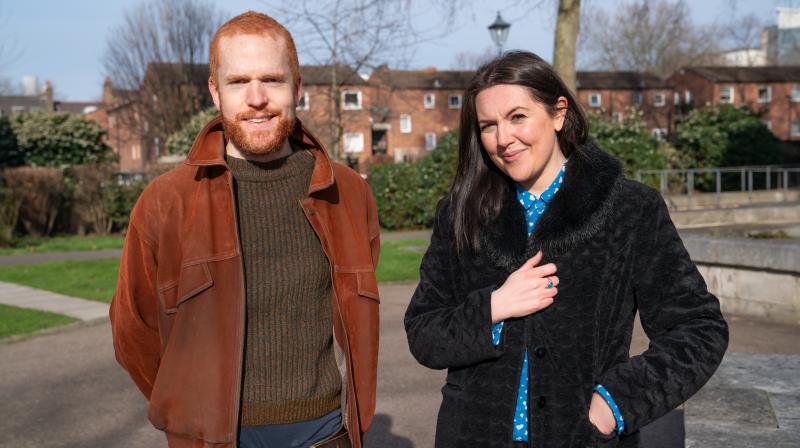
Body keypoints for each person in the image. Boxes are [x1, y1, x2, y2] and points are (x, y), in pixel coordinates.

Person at [404, 51, 728, 447]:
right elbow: (423, 332)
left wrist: (614, 405)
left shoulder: (629, 209)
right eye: (488, 125)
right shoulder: (461, 212)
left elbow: (698, 329)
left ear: (559, 113)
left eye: (517, 117)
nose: (503, 139)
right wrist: (493, 307)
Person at [110, 11, 380, 448]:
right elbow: (132, 331)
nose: (256, 98)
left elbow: (356, 319)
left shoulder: (347, 194)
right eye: (238, 82)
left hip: (329, 434)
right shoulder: (166, 202)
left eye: (272, 80)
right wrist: (186, 412)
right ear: (216, 91)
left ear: (298, 87)